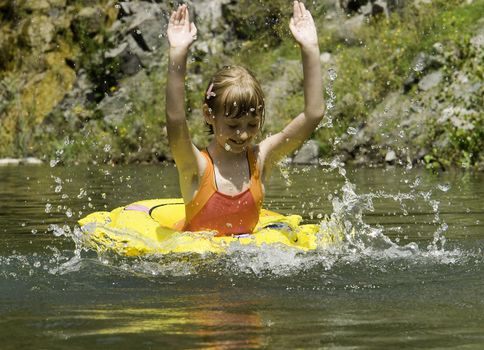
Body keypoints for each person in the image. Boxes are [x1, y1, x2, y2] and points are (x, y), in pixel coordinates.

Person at [166, 1, 324, 236]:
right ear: (210, 115)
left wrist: (310, 48)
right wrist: (178, 53)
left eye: (252, 124)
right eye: (232, 125)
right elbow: (176, 120)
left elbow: (314, 114)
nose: (243, 134)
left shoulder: (260, 160)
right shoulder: (195, 166)